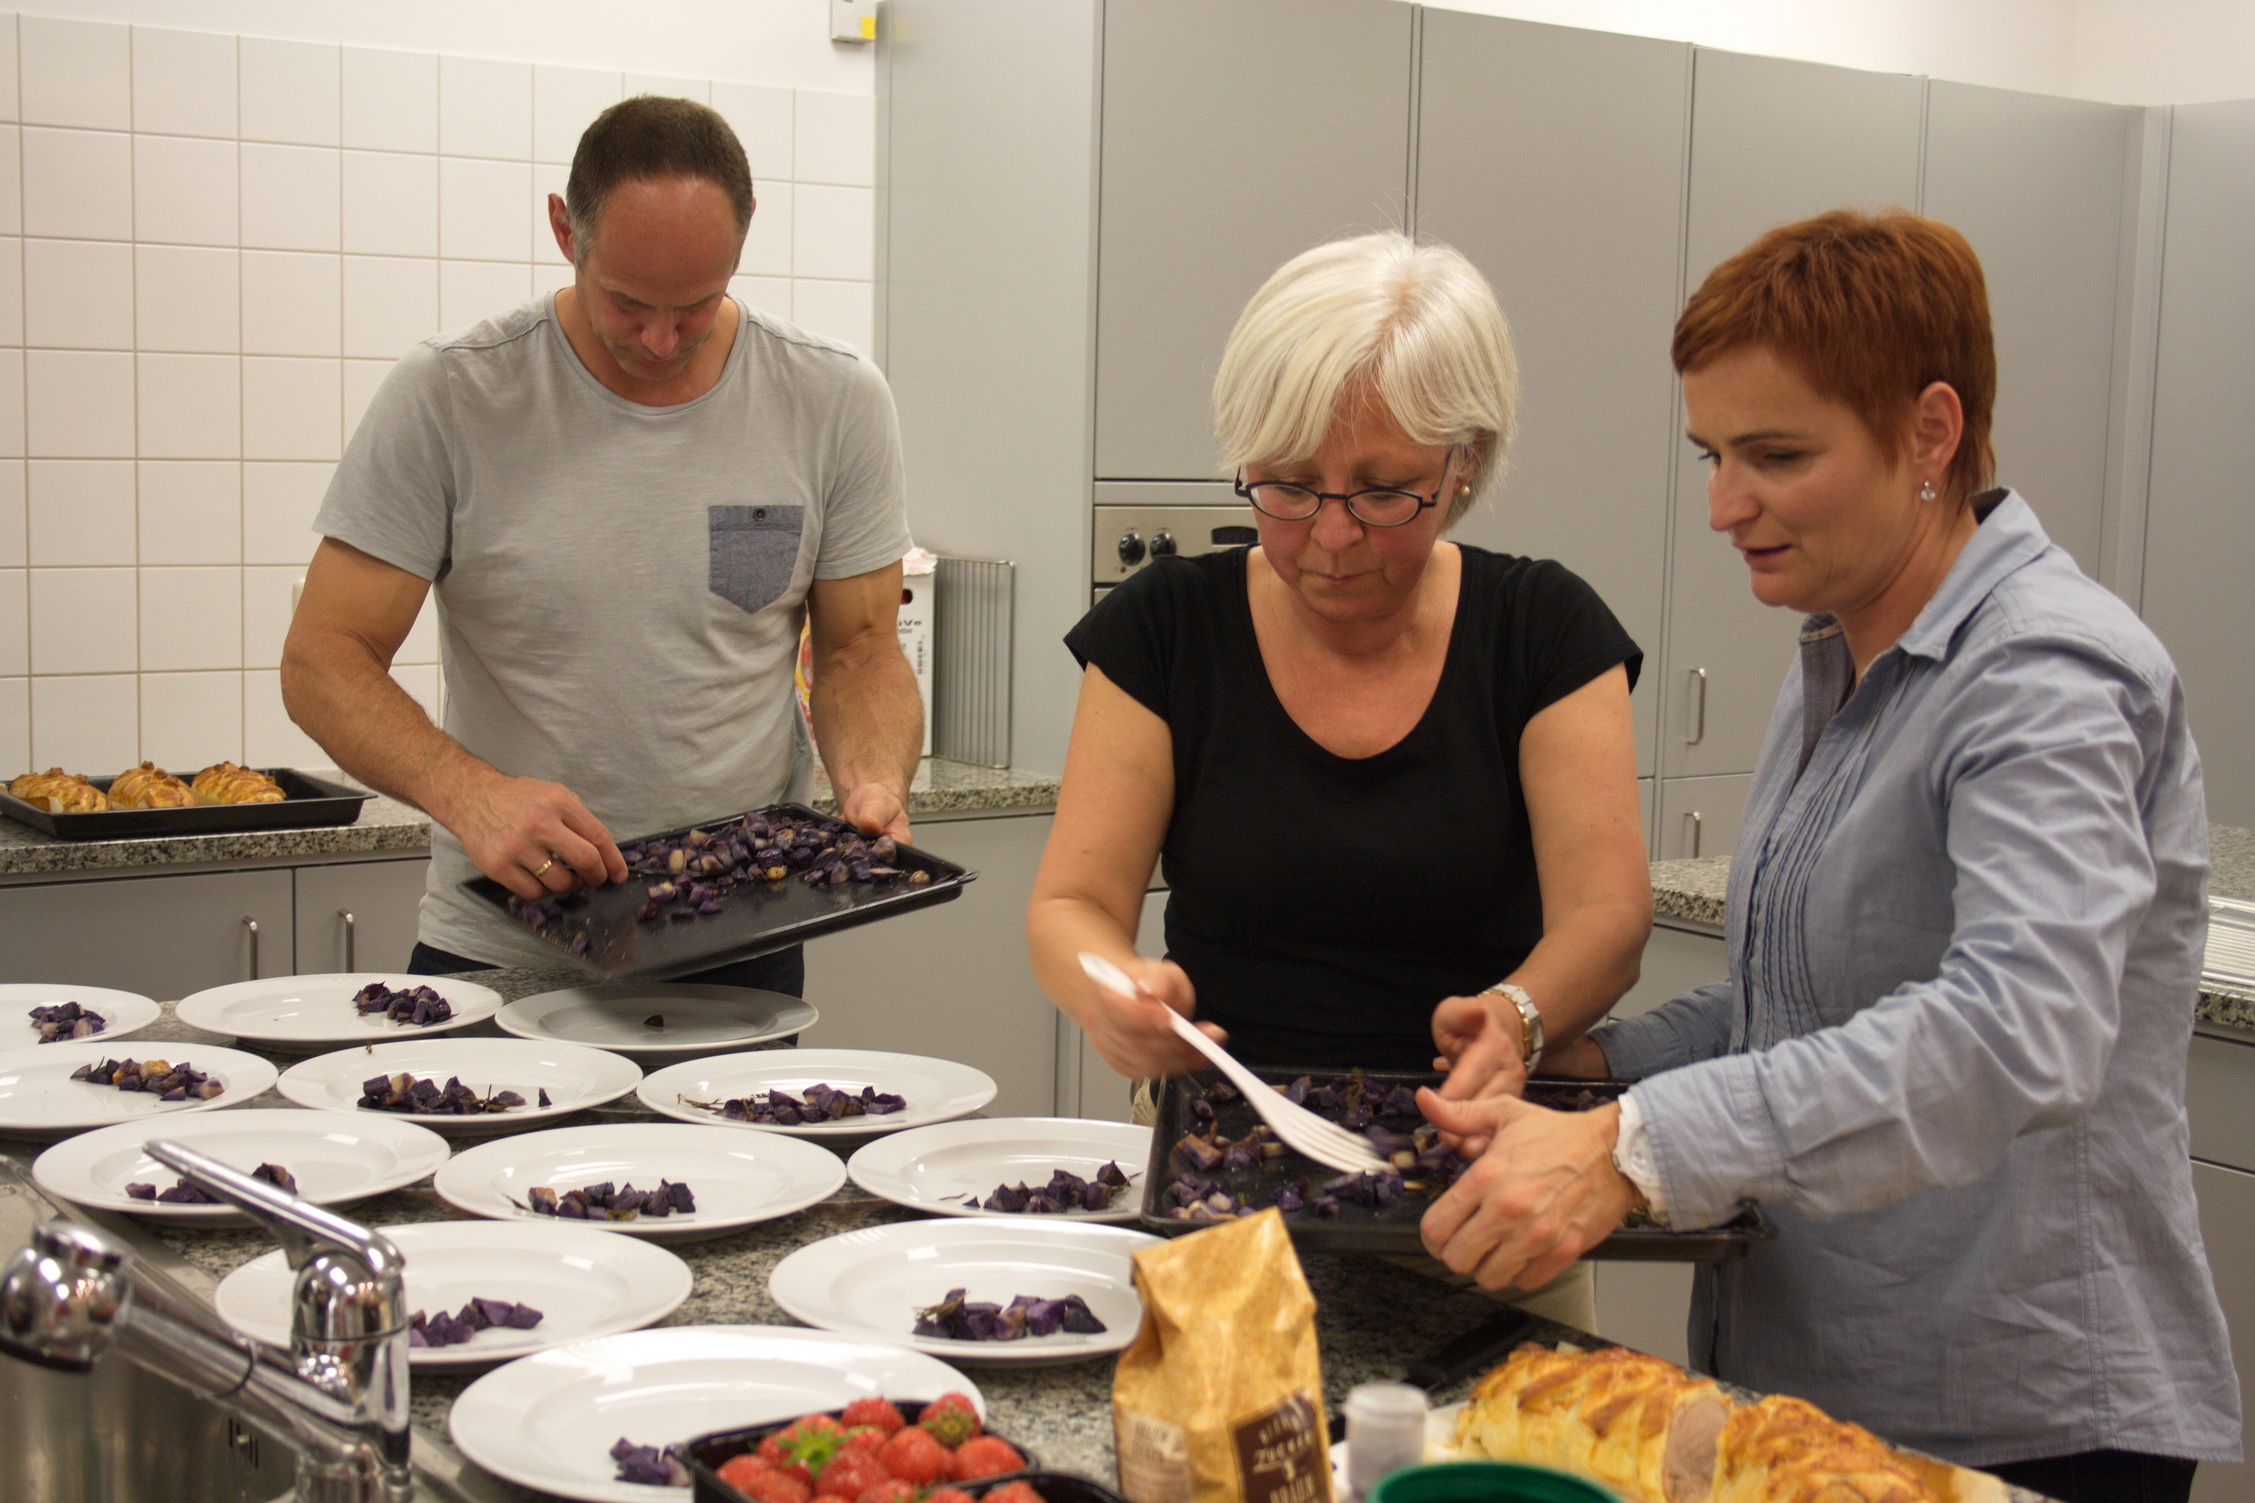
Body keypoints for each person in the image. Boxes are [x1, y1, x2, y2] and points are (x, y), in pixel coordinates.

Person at [1416, 211, 2241, 1501]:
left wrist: (1634, 1143)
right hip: (1814, 1390)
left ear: (1930, 431)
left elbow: (2019, 1029)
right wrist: (1589, 1069)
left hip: (2014, 1418)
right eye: (1712, 455)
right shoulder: (1839, 652)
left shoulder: (2044, 672)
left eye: (1775, 456)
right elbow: (1806, 998)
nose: (1721, 505)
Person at [1026, 232, 1653, 1327]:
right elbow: (1070, 903)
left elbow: (1607, 916)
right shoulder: (1167, 628)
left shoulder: (1543, 630)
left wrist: (1517, 1014)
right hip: (1220, 1193)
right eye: (1286, 485)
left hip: (1490, 1191)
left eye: (1381, 492)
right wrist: (1113, 991)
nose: (1327, 536)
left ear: (1462, 464)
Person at [281, 97, 922, 993]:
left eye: (695, 305)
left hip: (743, 943)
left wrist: (872, 780)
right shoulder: (454, 392)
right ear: (563, 231)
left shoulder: (833, 398)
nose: (660, 340)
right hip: (503, 951)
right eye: (627, 303)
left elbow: (860, 650)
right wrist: (470, 795)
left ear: (743, 238)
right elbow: (322, 658)